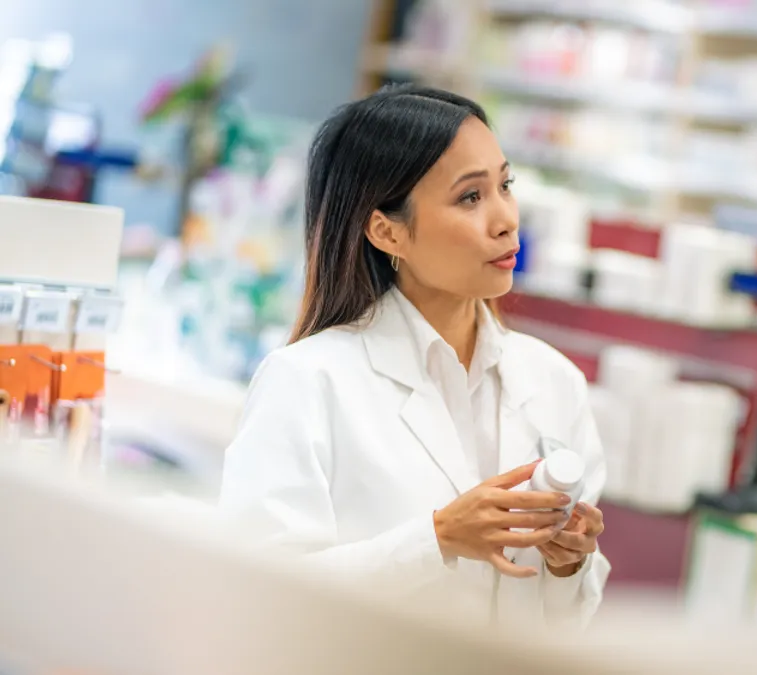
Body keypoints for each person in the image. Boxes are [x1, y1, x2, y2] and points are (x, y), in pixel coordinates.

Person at [218, 84, 609, 627]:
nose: (506, 220)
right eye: (470, 197)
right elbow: (258, 596)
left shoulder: (553, 380)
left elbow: (568, 625)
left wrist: (569, 566)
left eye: (505, 185)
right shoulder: (307, 380)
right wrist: (439, 538)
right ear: (387, 231)